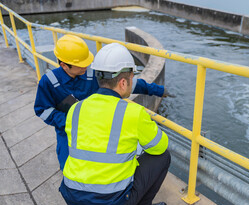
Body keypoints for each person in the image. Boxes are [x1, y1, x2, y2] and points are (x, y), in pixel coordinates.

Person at [59, 42, 171, 205]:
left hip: (71, 198)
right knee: (162, 157)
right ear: (123, 82)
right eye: (132, 77)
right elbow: (159, 146)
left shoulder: (75, 110)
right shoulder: (133, 112)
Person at [34, 34, 172, 170]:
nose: (86, 66)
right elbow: (42, 109)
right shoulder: (49, 82)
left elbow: (127, 83)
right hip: (67, 132)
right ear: (64, 65)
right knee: (68, 166)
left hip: (97, 128)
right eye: (81, 64)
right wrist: (69, 121)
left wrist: (159, 90)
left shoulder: (91, 74)